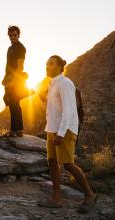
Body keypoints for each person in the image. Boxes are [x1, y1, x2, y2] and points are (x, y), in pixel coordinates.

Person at [38, 55, 97, 213]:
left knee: (68, 164)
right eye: (46, 63)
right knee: (52, 162)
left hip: (65, 130)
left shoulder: (65, 83)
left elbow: (69, 111)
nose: (47, 66)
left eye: (50, 64)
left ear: (59, 66)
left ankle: (90, 195)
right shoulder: (52, 84)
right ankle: (56, 199)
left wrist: (61, 133)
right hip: (53, 129)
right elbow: (53, 108)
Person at [2, 25, 30, 137]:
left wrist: (14, 81)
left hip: (16, 79)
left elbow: (20, 67)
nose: (12, 37)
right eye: (10, 35)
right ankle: (17, 129)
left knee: (14, 103)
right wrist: (5, 78)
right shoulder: (10, 48)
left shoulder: (20, 48)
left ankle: (16, 130)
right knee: (12, 103)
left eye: (14, 35)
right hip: (8, 78)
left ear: (18, 35)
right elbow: (8, 65)